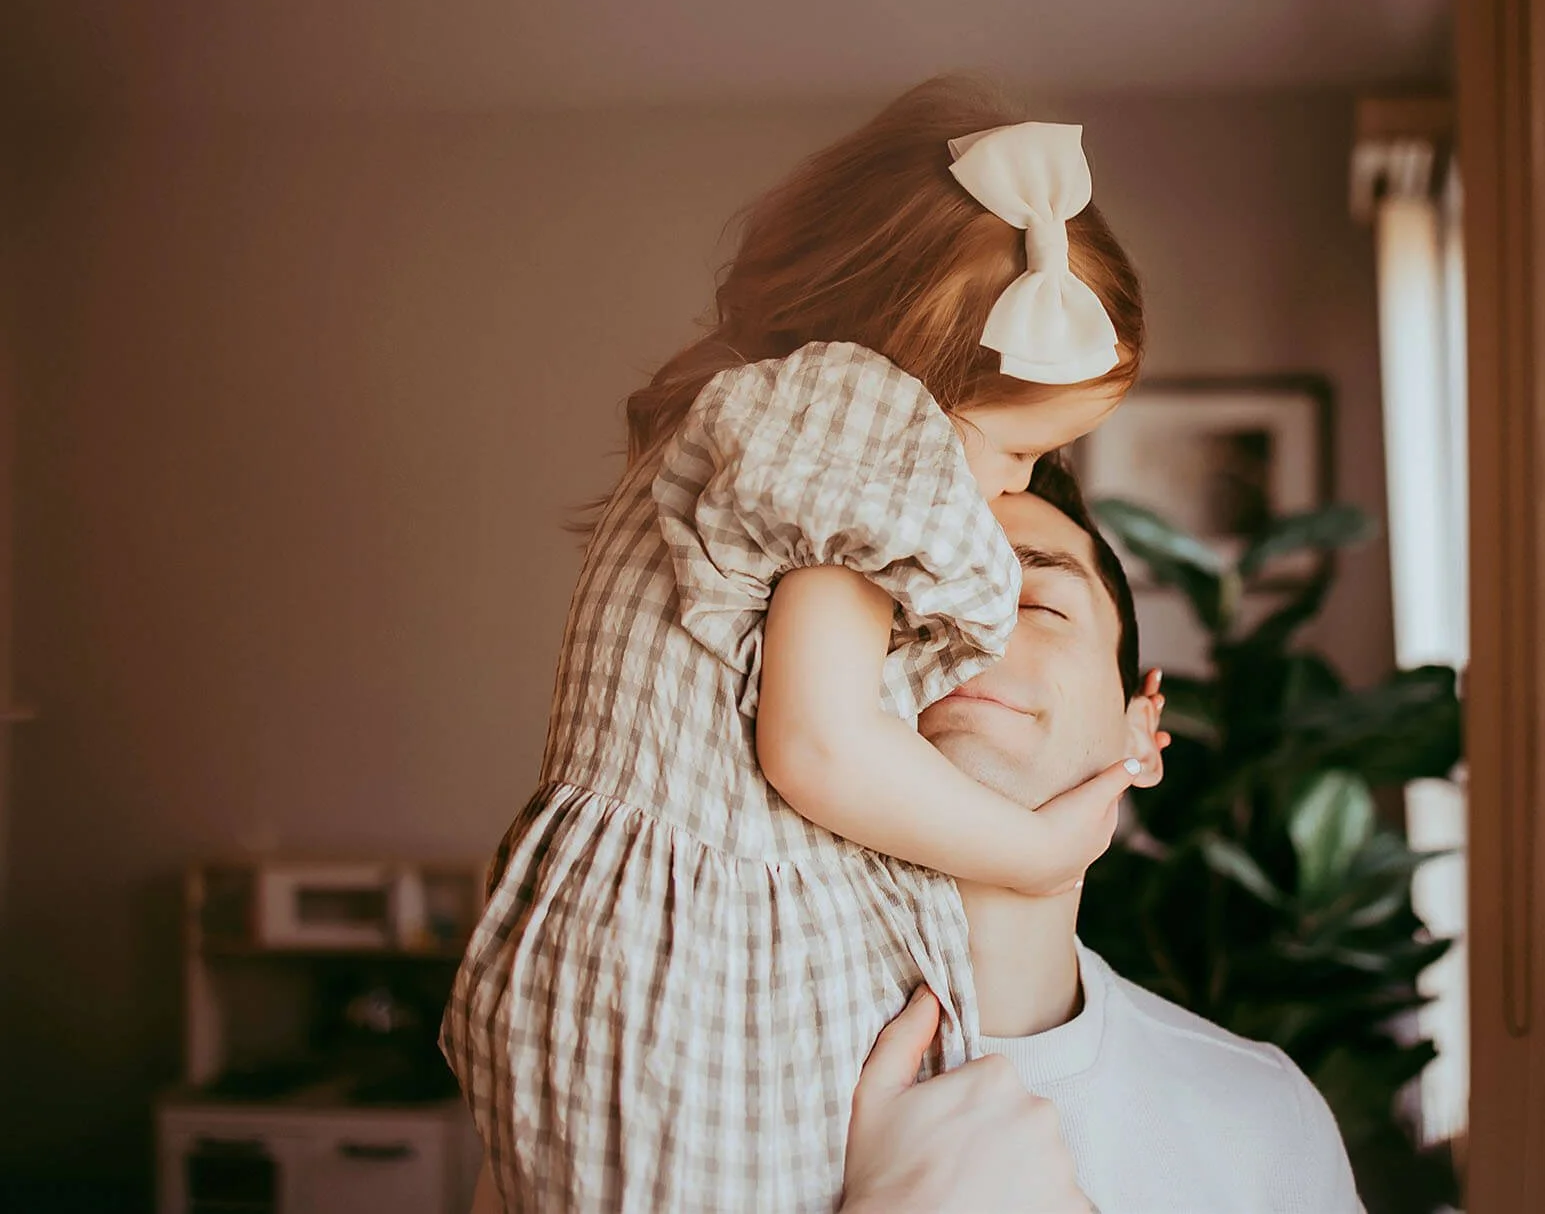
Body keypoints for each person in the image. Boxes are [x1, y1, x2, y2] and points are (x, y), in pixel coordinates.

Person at [440, 76, 1165, 1213]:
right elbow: (820, 748)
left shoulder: (784, 419)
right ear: (920, 379)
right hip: (688, 963)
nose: (1011, 489)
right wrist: (1027, 852)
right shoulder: (860, 422)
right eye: (1010, 448)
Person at [469, 459, 1363, 1213]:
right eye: (908, 597)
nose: (967, 631)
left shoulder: (1264, 1121)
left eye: (1036, 603)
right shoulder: (657, 1078)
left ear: (1143, 728)